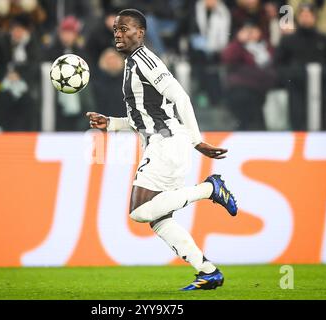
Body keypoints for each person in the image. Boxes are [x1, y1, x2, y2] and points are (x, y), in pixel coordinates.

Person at [86, 8, 238, 291]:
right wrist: (111, 124)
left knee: (139, 211)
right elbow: (142, 116)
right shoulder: (132, 63)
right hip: (162, 143)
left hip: (168, 142)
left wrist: (196, 140)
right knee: (157, 219)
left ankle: (209, 189)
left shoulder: (145, 60)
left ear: (140, 33)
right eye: (116, 29)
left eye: (125, 28)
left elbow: (180, 95)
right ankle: (208, 271)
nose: (118, 33)